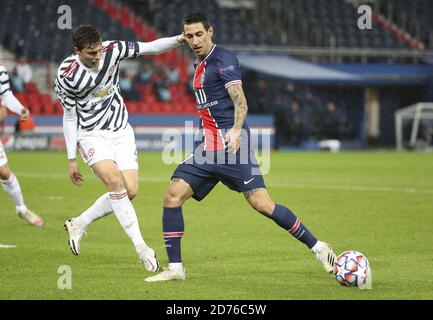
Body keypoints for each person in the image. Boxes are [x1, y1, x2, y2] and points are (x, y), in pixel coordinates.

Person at [145, 13, 337, 282]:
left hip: (231, 144)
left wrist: (235, 131)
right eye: (189, 36)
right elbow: (166, 45)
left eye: (200, 34)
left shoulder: (223, 60)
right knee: (172, 197)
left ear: (211, 31)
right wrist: (181, 38)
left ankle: (318, 247)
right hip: (207, 146)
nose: (195, 41)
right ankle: (175, 269)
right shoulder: (200, 62)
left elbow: (240, 101)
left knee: (261, 203)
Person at [54, 24, 185, 272]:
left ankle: (79, 222)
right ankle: (142, 248)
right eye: (91, 53)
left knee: (130, 190)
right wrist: (71, 158)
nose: (97, 56)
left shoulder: (112, 50)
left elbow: (151, 48)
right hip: (91, 134)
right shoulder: (66, 75)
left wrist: (179, 39)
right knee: (115, 184)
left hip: (120, 130)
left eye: (98, 50)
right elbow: (70, 117)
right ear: (77, 51)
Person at [0, 65, 44, 226]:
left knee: (5, 173)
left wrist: (20, 109)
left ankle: (21, 208)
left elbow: (6, 96)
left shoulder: (1, 71)